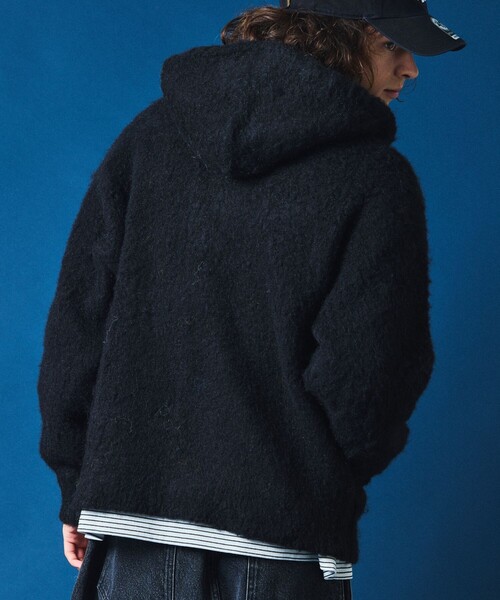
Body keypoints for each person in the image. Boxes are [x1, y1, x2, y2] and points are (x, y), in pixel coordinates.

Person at [37, 1, 466, 598]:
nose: (411, 67)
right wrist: (321, 474)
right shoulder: (375, 178)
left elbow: (79, 322)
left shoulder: (150, 137)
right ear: (335, 38)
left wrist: (77, 479)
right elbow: (373, 371)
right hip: (279, 544)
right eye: (391, 44)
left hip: (129, 532)